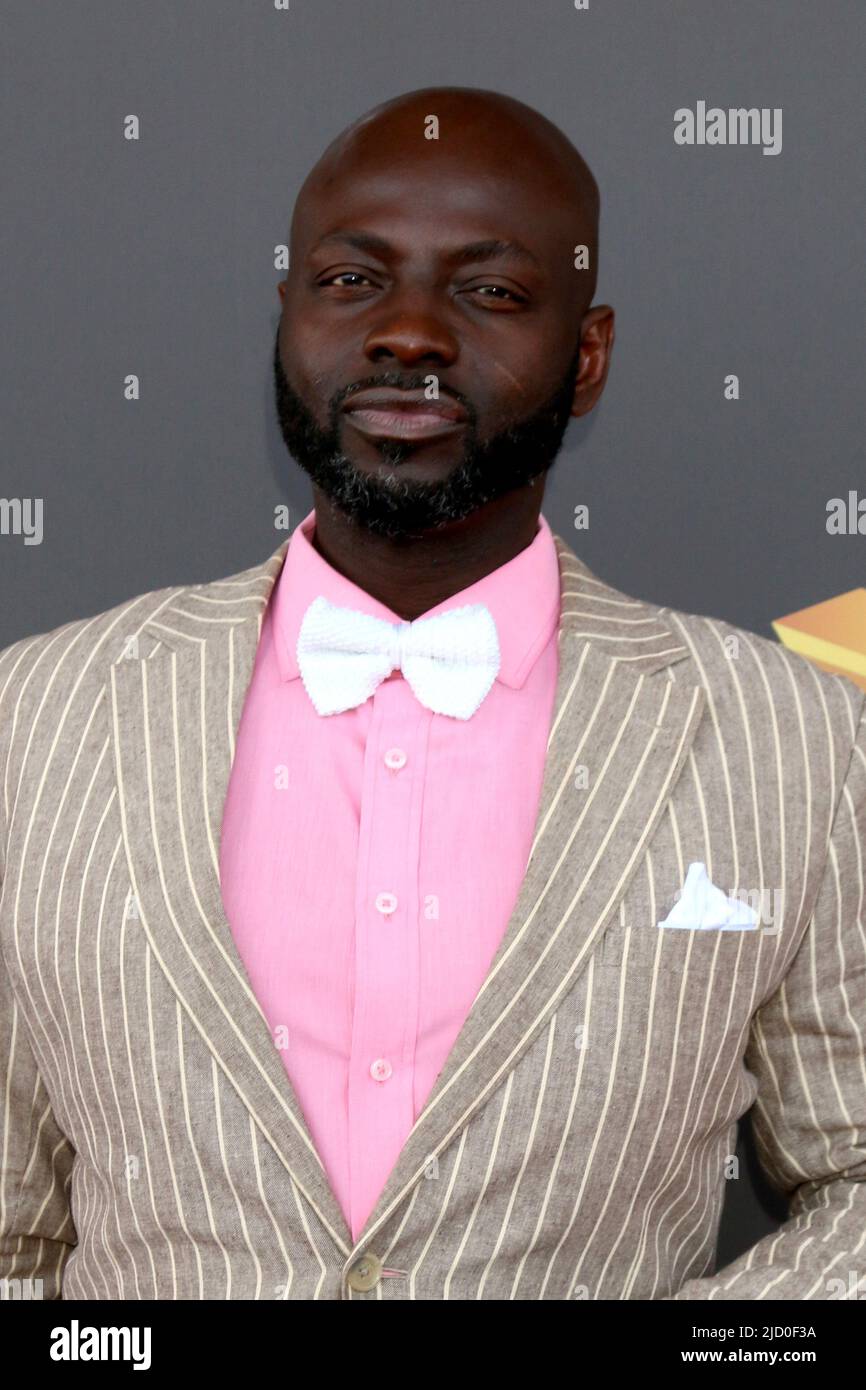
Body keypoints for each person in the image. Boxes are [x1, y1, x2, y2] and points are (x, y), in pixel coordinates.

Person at [1, 86, 864, 1301]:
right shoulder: (34, 720)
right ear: (285, 318)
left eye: (490, 290)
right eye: (352, 282)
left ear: (589, 353)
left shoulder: (795, 739)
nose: (408, 332)